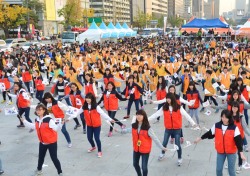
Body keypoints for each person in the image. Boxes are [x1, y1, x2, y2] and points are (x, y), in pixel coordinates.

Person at [148, 93, 196, 166]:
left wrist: (193, 123)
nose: (167, 99)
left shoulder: (178, 107)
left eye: (169, 98)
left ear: (172, 99)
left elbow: (187, 115)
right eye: (167, 98)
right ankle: (162, 153)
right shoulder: (164, 107)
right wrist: (147, 119)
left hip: (177, 129)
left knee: (177, 144)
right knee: (164, 142)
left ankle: (179, 158)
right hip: (168, 128)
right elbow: (156, 114)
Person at [194, 109, 246, 176]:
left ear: (229, 118)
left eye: (226, 117)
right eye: (222, 117)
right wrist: (200, 138)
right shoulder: (217, 125)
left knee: (231, 171)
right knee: (218, 169)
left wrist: (241, 154)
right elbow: (209, 133)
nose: (224, 119)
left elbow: (238, 141)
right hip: (220, 151)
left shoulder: (234, 128)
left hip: (231, 152)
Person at [118, 109, 168, 176]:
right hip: (136, 148)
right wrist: (119, 131)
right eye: (137, 115)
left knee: (144, 168)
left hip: (145, 150)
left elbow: (155, 139)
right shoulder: (134, 125)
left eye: (140, 115)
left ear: (144, 116)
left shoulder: (148, 128)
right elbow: (127, 130)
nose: (138, 116)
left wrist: (162, 147)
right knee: (135, 164)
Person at [20, 104, 63, 176]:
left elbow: (56, 128)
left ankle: (60, 172)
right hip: (42, 142)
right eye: (37, 110)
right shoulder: (37, 119)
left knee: (54, 158)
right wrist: (24, 121)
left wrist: (60, 124)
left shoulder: (49, 120)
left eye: (40, 110)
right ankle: (39, 169)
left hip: (51, 142)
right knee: (41, 157)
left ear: (44, 110)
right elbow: (33, 126)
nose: (38, 111)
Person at [72, 93, 114, 158]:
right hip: (89, 125)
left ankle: (99, 151)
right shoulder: (84, 106)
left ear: (92, 99)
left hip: (97, 125)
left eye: (89, 98)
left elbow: (103, 114)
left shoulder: (96, 106)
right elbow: (76, 113)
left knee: (97, 138)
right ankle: (93, 147)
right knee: (89, 138)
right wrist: (68, 119)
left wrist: (110, 119)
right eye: (86, 98)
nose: (87, 100)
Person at [230, 101, 250, 173]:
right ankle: (230, 163)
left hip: (239, 138)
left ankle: (239, 165)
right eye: (233, 107)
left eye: (235, 107)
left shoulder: (241, 116)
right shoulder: (229, 115)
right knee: (231, 152)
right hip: (231, 137)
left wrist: (249, 134)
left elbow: (245, 127)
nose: (234, 109)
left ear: (238, 108)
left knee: (239, 152)